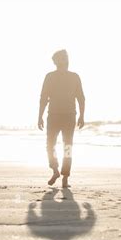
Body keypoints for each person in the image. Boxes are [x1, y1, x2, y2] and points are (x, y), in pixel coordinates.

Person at [38, 49, 85, 188]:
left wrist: (82, 115)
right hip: (54, 115)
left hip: (68, 116)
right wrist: (39, 116)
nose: (65, 61)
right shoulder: (50, 77)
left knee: (67, 146)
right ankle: (55, 170)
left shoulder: (74, 77)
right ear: (56, 62)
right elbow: (43, 98)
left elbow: (81, 97)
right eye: (62, 58)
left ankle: (65, 176)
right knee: (52, 145)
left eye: (66, 58)